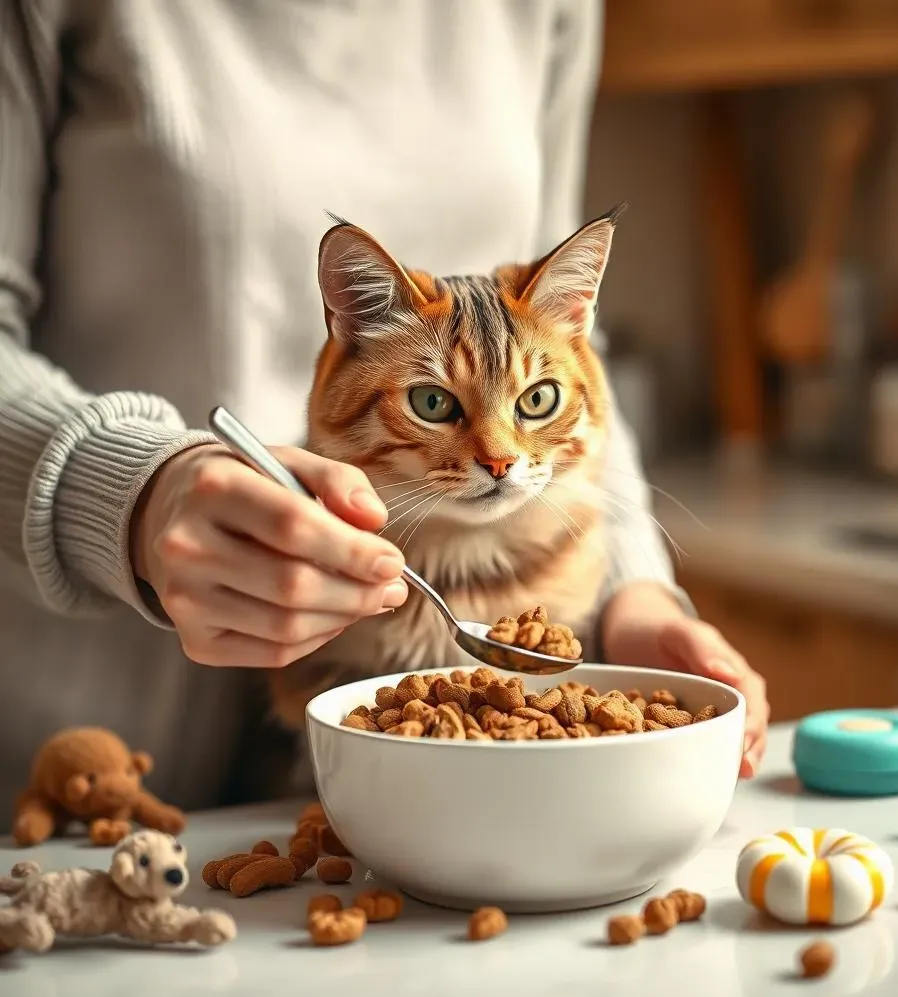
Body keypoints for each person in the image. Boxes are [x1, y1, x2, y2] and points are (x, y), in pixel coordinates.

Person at [0, 0, 769, 825]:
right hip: (91, 734)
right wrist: (132, 496)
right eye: (438, 405)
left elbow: (559, 350)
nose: (499, 454)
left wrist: (633, 588)